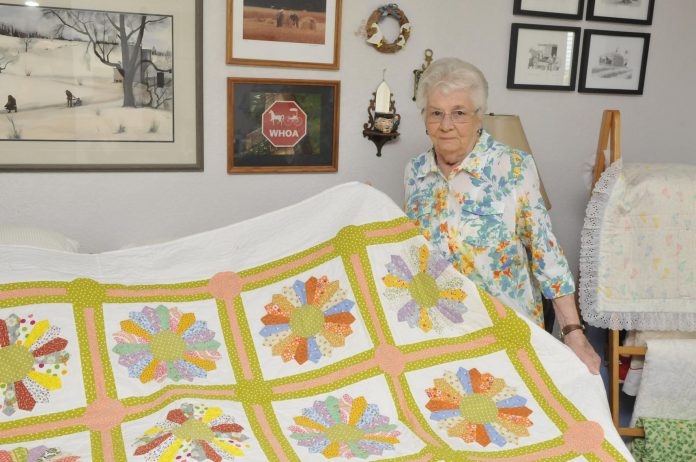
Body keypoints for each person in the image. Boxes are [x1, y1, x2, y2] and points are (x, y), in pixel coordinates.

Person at [405, 57, 600, 374]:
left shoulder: (513, 167)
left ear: (479, 117)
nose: (445, 124)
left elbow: (545, 251)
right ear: (424, 118)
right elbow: (414, 253)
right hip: (440, 328)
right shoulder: (415, 172)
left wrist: (572, 332)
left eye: (459, 113)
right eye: (435, 113)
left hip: (506, 328)